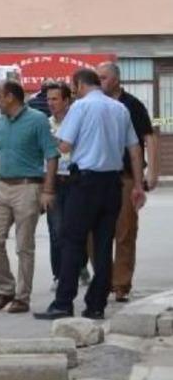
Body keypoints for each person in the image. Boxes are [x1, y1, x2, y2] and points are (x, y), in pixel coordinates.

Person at [35, 69, 146, 320]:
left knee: (72, 242)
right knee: (104, 245)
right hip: (113, 184)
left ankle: (64, 302)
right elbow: (135, 149)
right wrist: (138, 185)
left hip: (85, 183)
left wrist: (45, 136)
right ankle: (96, 305)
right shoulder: (119, 109)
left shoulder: (81, 107)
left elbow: (64, 146)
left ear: (78, 85)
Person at [0, 80, 59, 314]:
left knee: (24, 246)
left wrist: (48, 190)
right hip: (1, 186)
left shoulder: (37, 120)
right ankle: (6, 288)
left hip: (27, 187)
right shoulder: (1, 122)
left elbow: (52, 156)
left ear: (10, 97)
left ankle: (22, 296)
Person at [98, 62, 158, 303]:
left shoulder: (132, 105)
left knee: (125, 231)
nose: (99, 81)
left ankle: (121, 284)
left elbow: (149, 137)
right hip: (97, 177)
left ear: (115, 79)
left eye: (103, 77)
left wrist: (151, 172)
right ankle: (103, 279)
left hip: (125, 176)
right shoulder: (91, 105)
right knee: (95, 234)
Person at [45, 82, 91, 291]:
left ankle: (80, 265)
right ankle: (59, 275)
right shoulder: (45, 124)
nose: (50, 103)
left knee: (74, 228)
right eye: (48, 99)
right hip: (54, 181)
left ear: (66, 100)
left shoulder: (78, 121)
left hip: (75, 180)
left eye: (55, 99)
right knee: (56, 230)